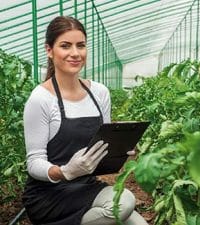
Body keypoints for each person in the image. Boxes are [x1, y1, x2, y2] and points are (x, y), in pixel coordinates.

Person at [22, 16, 148, 225]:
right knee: (124, 202)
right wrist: (64, 171)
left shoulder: (99, 93)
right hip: (48, 196)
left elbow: (101, 146)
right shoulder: (41, 99)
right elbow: (34, 163)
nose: (75, 53)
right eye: (65, 46)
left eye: (80, 45)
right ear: (49, 50)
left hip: (85, 186)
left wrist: (118, 150)